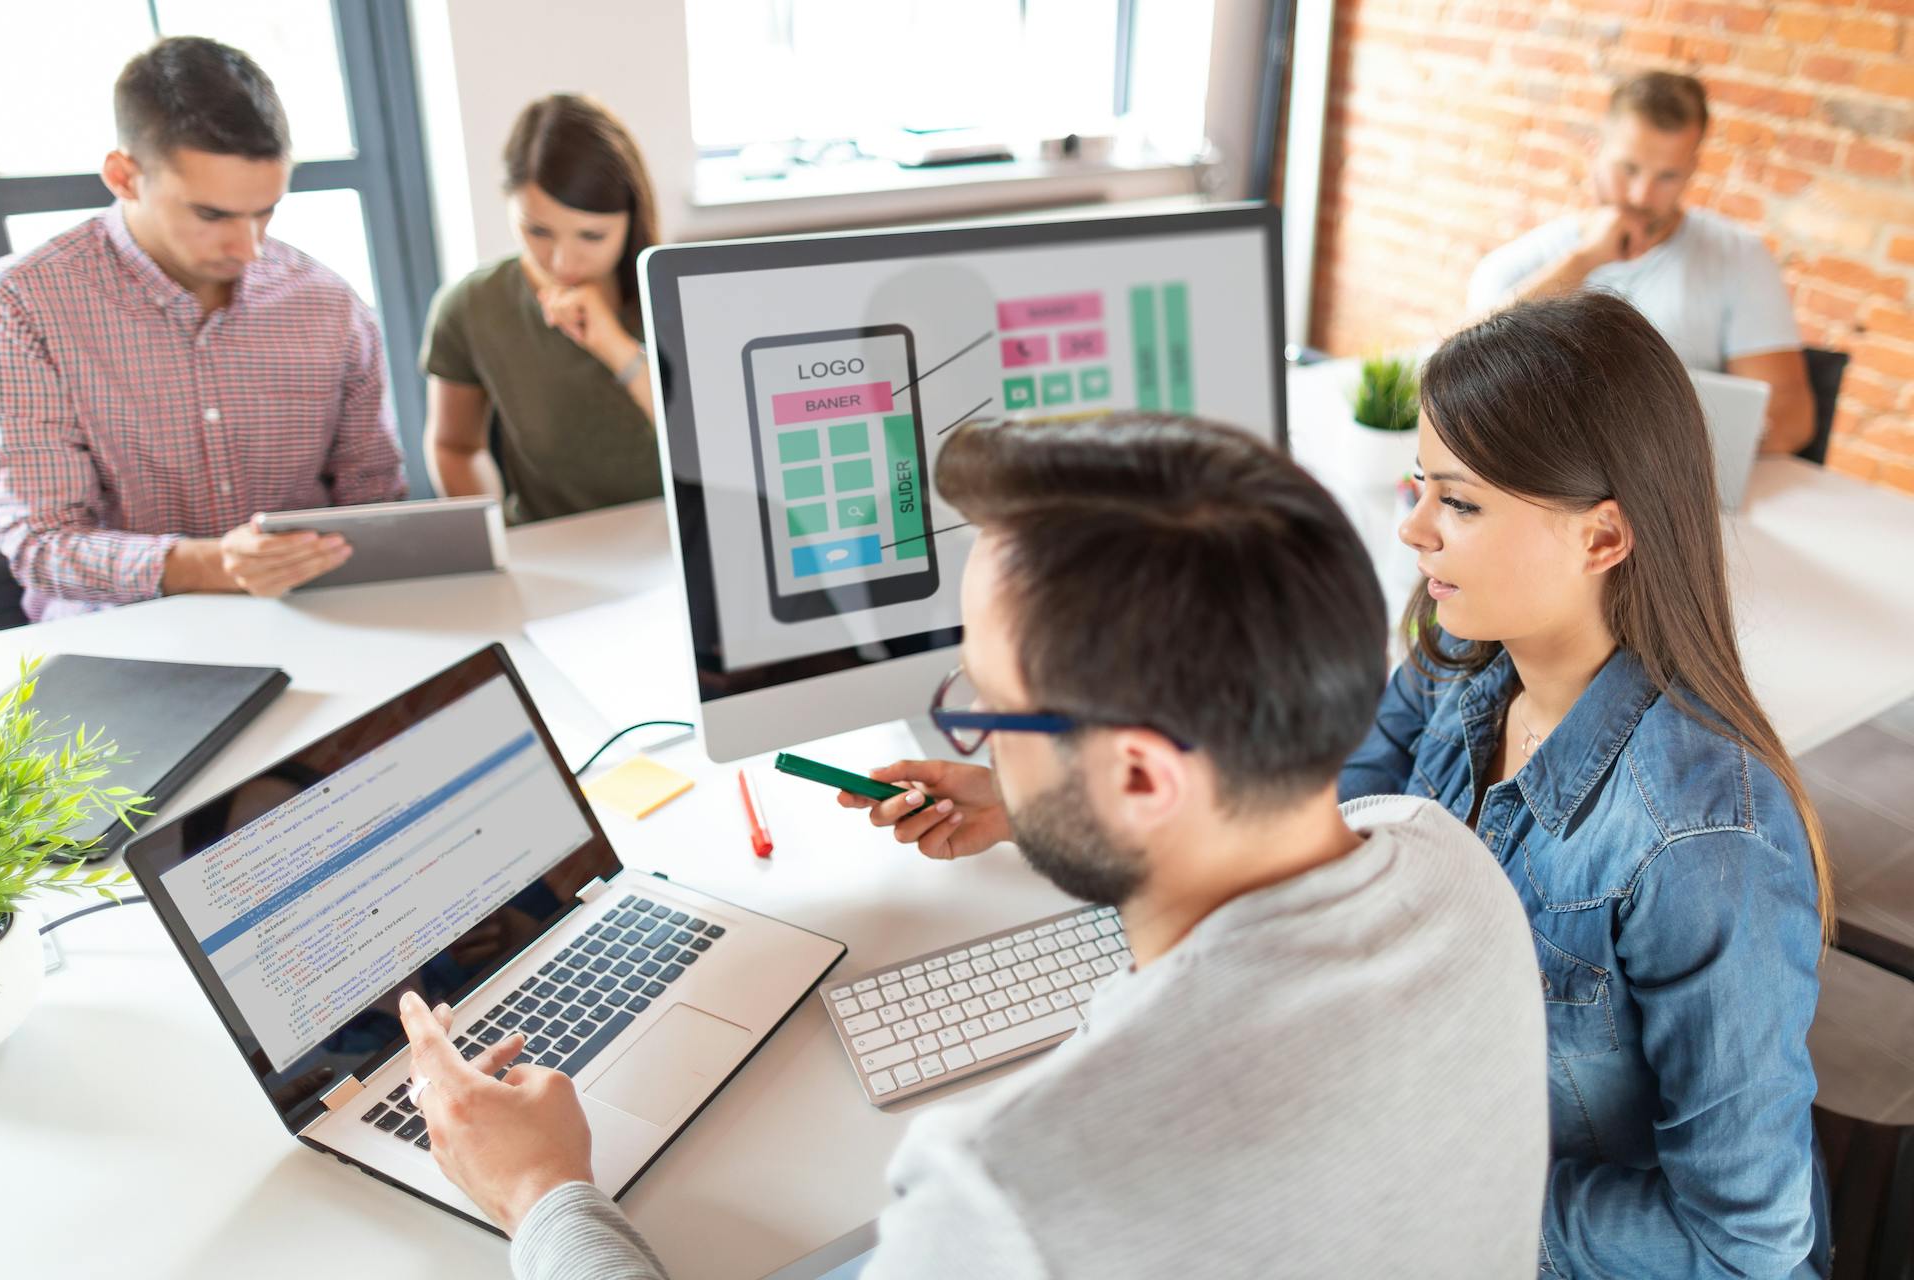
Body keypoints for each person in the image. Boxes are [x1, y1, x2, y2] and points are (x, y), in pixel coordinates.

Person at [399, 414, 1552, 1277]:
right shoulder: (1453, 866)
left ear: (1143, 775)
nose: (979, 742)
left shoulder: (1009, 1191)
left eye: (989, 710)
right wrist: (1050, 798)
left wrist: (543, 1189)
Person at [853, 295, 1833, 1277]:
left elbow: (1744, 1239)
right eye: (1418, 485)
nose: (1412, 529)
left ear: (1602, 537)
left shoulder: (1704, 840)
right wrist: (1035, 791)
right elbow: (1287, 811)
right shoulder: (1465, 660)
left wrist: (1415, 1177)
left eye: (1459, 500)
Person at [0, 37, 406, 621]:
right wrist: (214, 566)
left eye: (266, 210)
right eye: (212, 214)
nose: (249, 246)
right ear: (124, 176)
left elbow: (375, 502)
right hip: (121, 642)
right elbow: (42, 545)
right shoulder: (22, 304)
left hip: (314, 621)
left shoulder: (330, 304)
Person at [1468, 71, 1814, 455]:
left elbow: (1791, 418)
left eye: (1667, 176)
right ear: (1594, 149)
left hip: (1677, 489)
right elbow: (1466, 365)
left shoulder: (1739, 257)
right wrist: (1585, 260)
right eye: (1628, 169)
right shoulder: (1518, 264)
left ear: (1692, 169)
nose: (1641, 195)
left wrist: (1682, 465)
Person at [421, 95, 663, 525]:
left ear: (631, 217)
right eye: (537, 231)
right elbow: (455, 446)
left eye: (592, 236)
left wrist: (616, 348)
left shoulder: (675, 290)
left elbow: (708, 450)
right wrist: (500, 538)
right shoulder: (472, 307)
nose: (562, 263)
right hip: (550, 552)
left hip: (675, 540)